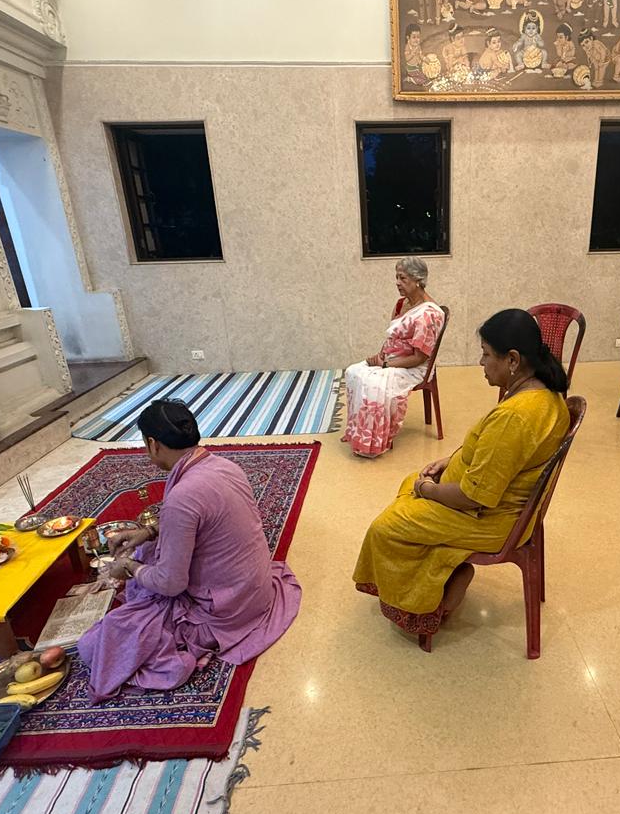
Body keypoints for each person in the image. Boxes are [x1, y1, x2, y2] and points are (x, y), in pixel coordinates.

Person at [354, 309, 570, 649]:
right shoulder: (540, 392)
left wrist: (427, 491)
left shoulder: (517, 416)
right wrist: (449, 461)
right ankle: (443, 570)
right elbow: (490, 450)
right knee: (410, 482)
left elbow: (475, 497)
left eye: (486, 354)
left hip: (490, 519)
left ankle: (429, 604)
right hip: (490, 503)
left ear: (512, 359)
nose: (481, 363)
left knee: (387, 527)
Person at [78, 400, 301, 702]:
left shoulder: (183, 496)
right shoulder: (225, 466)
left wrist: (128, 568)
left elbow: (171, 585)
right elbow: (206, 521)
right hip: (255, 589)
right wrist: (149, 531)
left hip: (227, 612)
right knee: (147, 552)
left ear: (153, 444)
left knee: (94, 645)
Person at [343, 257, 446, 458]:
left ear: (418, 280)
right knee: (353, 371)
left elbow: (419, 358)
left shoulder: (428, 314)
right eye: (396, 277)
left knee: (373, 383)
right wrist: (381, 357)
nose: (397, 282)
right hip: (392, 360)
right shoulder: (402, 304)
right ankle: (359, 433)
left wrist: (386, 364)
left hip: (413, 367)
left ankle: (374, 441)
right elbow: (393, 338)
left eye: (402, 278)